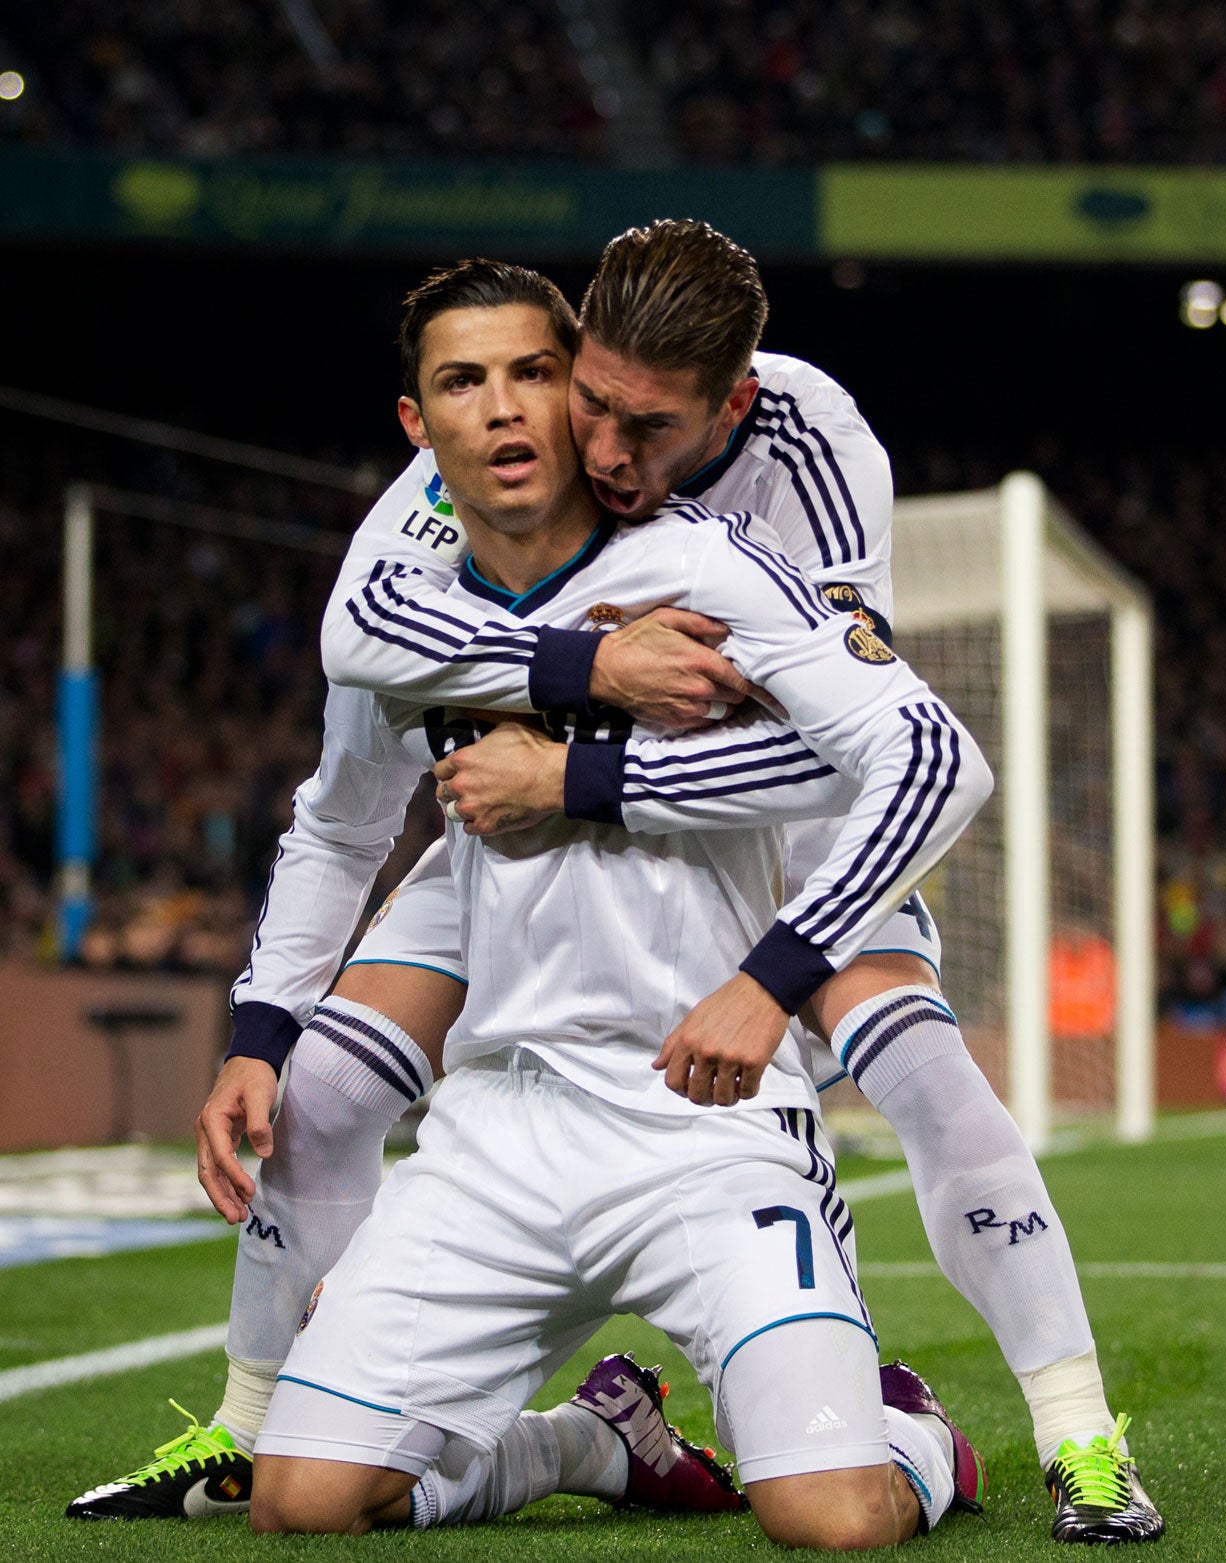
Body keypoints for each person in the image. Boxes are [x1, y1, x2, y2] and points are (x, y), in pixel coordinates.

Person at [74, 224, 1161, 1544]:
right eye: (585, 399)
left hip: (756, 829)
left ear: (731, 405)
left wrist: (597, 792)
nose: (602, 450)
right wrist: (578, 677)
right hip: (515, 840)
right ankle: (264, 1428)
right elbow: (359, 670)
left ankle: (1072, 1427)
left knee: (924, 1068)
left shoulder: (794, 469)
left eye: (647, 426)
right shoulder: (463, 478)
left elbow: (847, 750)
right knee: (320, 1079)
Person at [241, 261, 990, 1544]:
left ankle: (910, 1432)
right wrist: (260, 1030)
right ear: (419, 429)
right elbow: (335, 818)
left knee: (835, 1523)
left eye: (535, 374)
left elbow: (933, 758)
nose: (506, 411)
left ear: (577, 382)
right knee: (301, 1505)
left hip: (706, 1125)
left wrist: (771, 982)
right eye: (462, 384)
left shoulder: (713, 571)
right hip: (493, 1131)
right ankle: (585, 1444)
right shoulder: (396, 618)